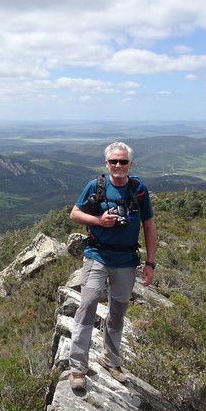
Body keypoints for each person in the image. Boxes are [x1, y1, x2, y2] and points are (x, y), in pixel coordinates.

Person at [68, 141, 156, 390]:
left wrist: (150, 262)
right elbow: (75, 214)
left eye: (123, 161)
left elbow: (149, 226)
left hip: (127, 260)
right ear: (106, 164)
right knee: (88, 304)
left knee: (118, 311)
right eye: (113, 161)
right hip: (98, 254)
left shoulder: (139, 189)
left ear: (130, 164)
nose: (118, 165)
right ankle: (77, 368)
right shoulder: (96, 186)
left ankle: (111, 360)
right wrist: (98, 220)